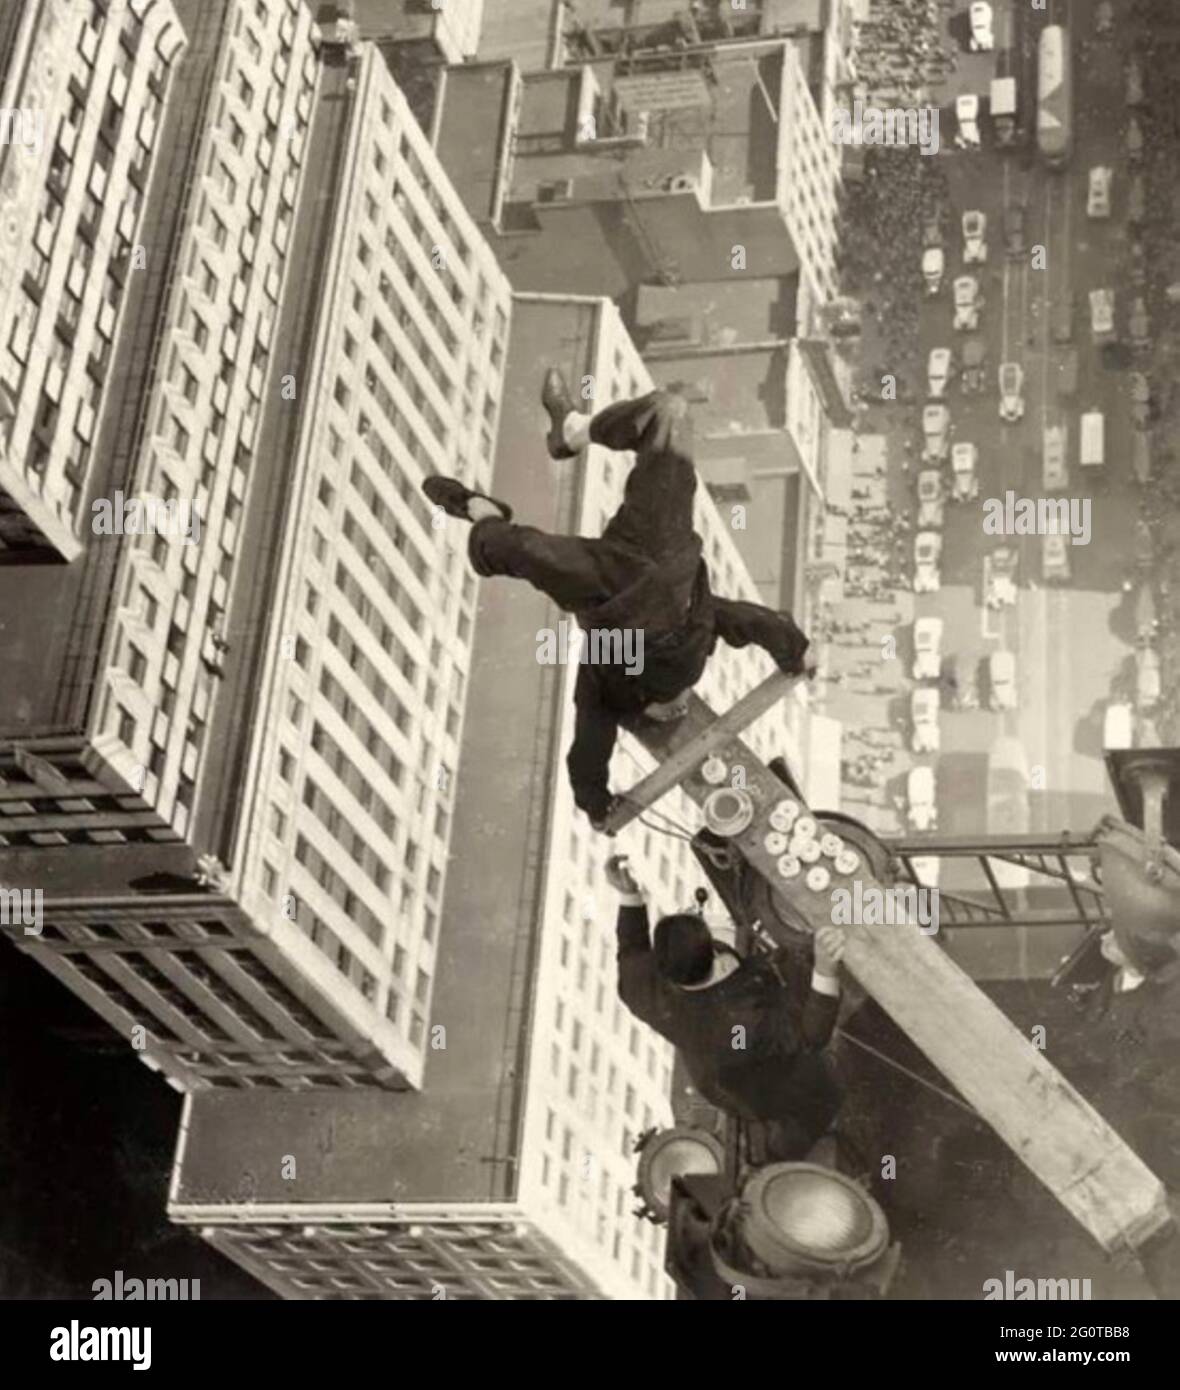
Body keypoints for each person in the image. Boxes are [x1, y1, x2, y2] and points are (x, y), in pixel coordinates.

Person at [423, 374, 814, 830]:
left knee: (523, 551)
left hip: (609, 588)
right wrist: (794, 648)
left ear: (641, 712)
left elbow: (588, 743)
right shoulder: (696, 647)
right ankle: (572, 430)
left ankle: (478, 511)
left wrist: (595, 803)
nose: (676, 709)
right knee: (668, 414)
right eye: (680, 710)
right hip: (661, 546)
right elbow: (746, 620)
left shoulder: (609, 677)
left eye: (665, 716)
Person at [606, 853, 847, 1161]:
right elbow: (812, 1035)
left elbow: (632, 948)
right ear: (711, 952)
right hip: (758, 1080)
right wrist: (826, 970)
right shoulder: (740, 1025)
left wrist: (629, 894)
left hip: (723, 1057)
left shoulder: (641, 988)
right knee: (825, 1091)